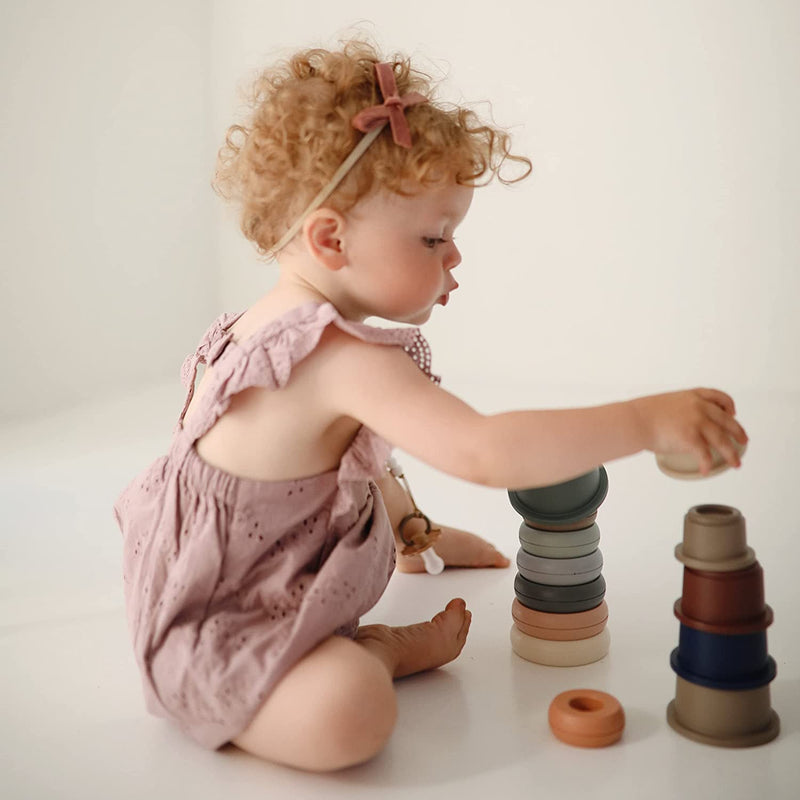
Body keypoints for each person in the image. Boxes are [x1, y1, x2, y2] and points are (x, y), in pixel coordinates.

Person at [113, 39, 748, 772]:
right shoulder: (335, 360)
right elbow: (482, 451)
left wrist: (418, 532)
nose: (453, 258)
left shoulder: (254, 331)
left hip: (202, 588)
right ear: (330, 237)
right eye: (435, 237)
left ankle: (347, 639)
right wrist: (643, 421)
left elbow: (340, 467)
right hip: (221, 630)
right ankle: (375, 653)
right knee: (351, 712)